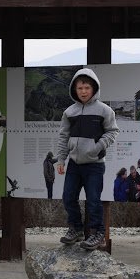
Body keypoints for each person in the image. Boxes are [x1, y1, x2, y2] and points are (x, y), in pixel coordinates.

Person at [56, 68, 119, 251]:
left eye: (87, 87)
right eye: (80, 88)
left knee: (93, 200)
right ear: (74, 89)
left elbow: (112, 131)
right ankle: (75, 229)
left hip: (95, 165)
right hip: (74, 164)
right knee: (68, 197)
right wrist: (61, 160)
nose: (83, 91)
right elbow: (63, 137)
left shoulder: (104, 110)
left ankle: (98, 234)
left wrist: (97, 147)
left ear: (94, 88)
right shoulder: (69, 112)